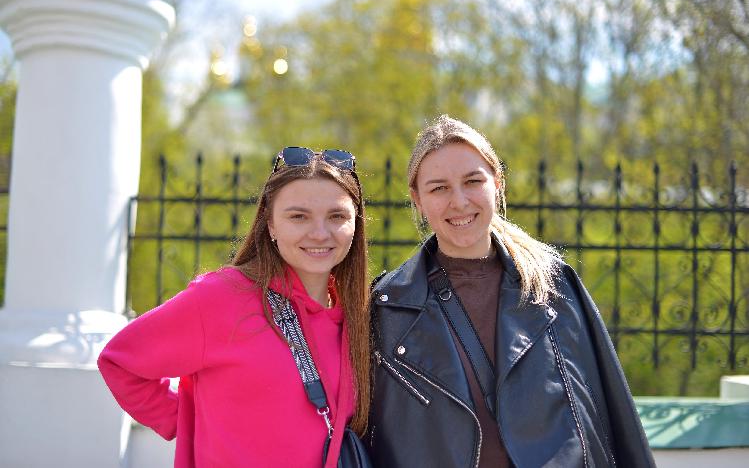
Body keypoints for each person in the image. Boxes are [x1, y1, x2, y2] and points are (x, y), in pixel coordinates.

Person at [367, 116, 655, 467]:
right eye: (439, 188)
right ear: (418, 199)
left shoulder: (552, 285)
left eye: (473, 181)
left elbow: (610, 411)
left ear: (497, 182)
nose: (459, 201)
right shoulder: (388, 306)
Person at [98, 147, 370, 468]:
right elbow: (120, 362)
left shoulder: (363, 313)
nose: (320, 233)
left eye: (337, 216)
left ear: (356, 223)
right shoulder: (222, 297)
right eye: (298, 216)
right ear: (270, 225)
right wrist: (192, 425)